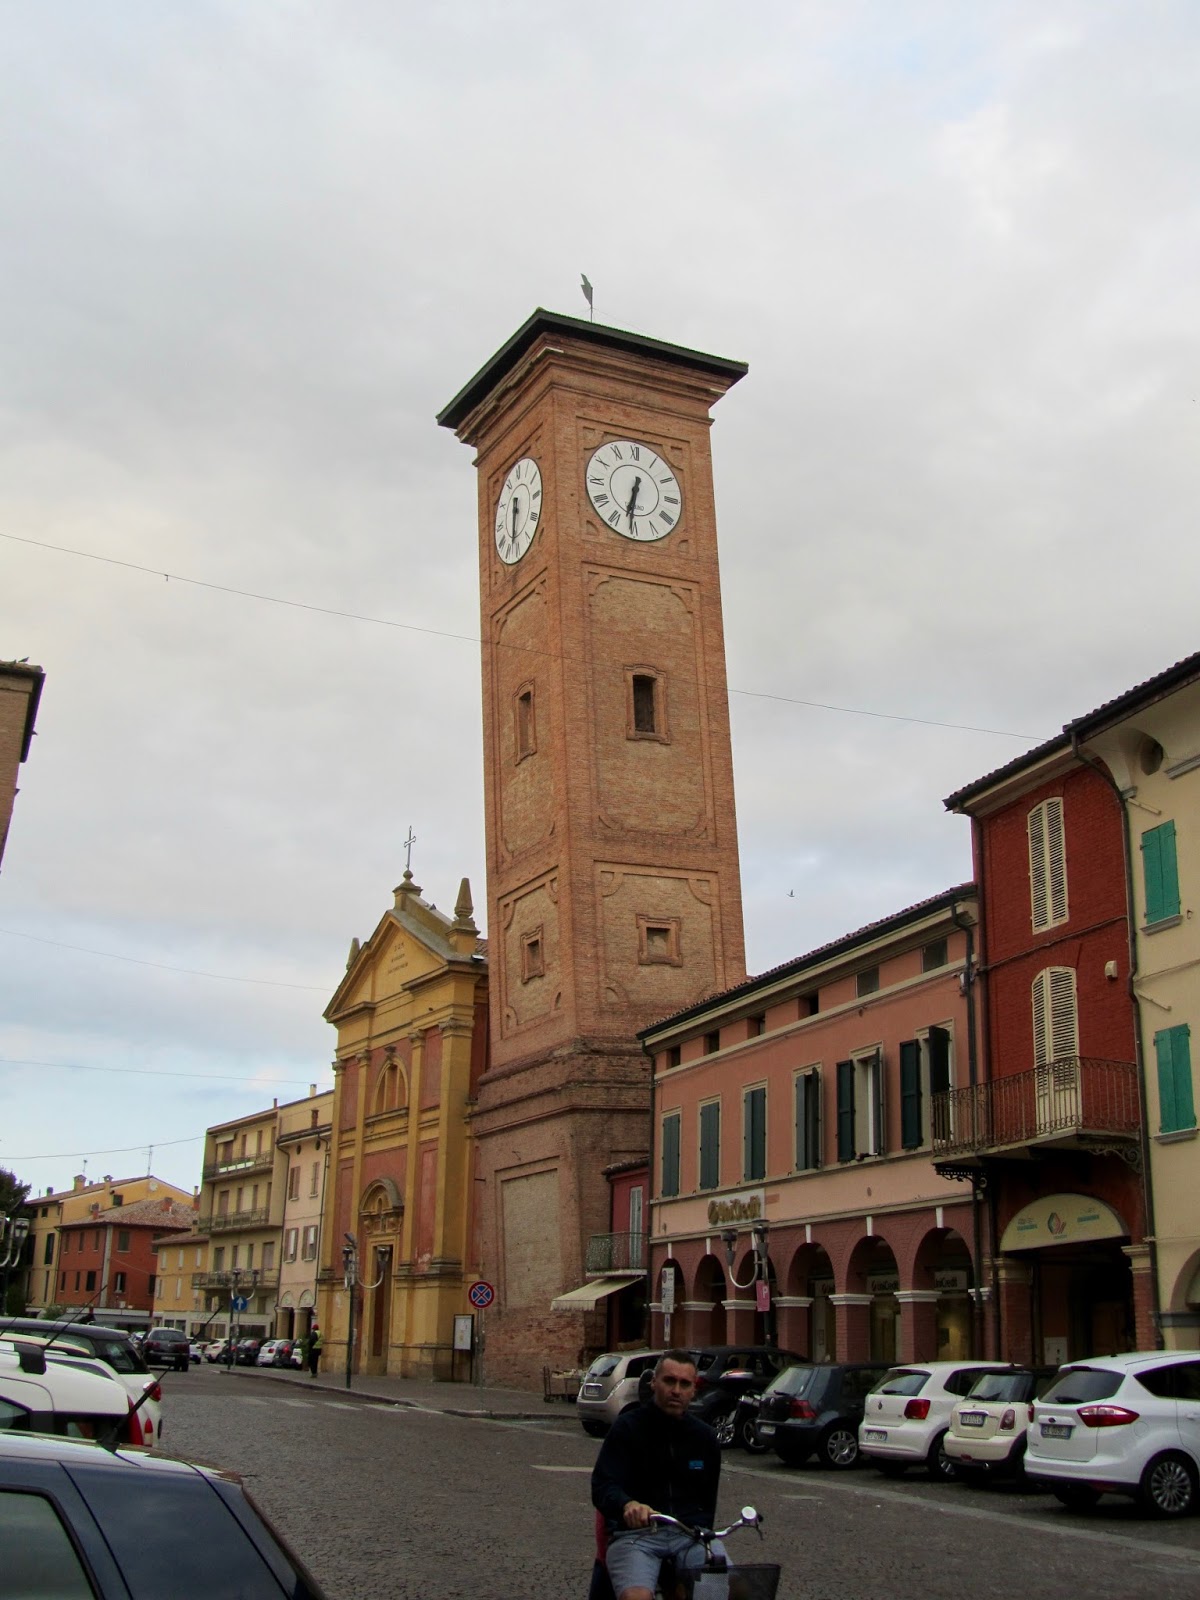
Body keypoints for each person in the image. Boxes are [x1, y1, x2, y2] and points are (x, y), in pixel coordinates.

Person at [590, 1350, 722, 1600]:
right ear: (654, 1382)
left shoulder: (705, 1438)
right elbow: (603, 1485)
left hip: (690, 1536)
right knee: (636, 1596)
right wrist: (627, 1505)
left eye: (685, 1384)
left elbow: (707, 1502)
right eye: (669, 1381)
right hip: (636, 1536)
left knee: (722, 1592)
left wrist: (701, 1530)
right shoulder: (627, 1427)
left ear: (694, 1390)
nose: (676, 1390)